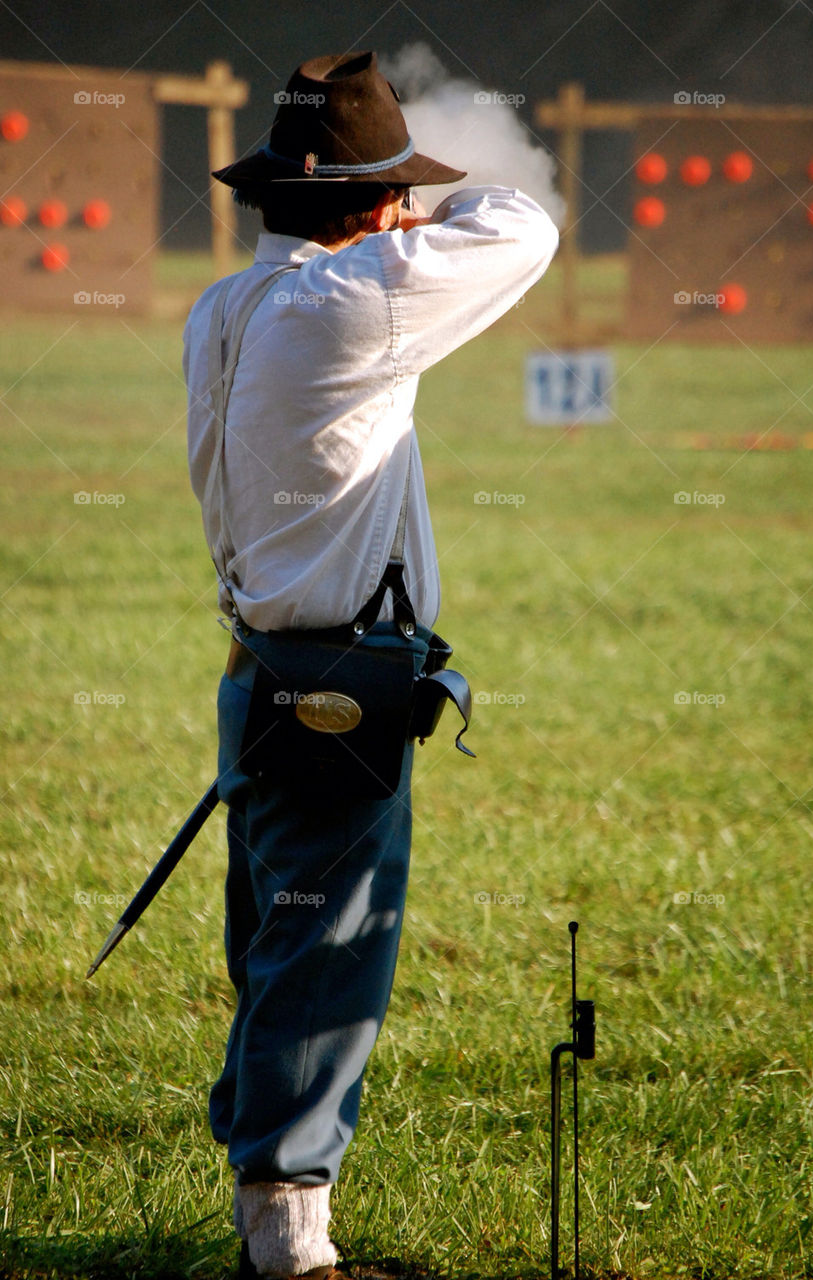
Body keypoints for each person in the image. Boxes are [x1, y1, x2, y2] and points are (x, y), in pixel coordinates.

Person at [183, 49, 558, 1280]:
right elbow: (524, 226)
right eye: (394, 194)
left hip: (266, 673)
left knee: (279, 935)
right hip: (335, 683)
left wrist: (386, 202)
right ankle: (290, 1241)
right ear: (367, 208)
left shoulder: (228, 306)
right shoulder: (352, 298)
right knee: (323, 941)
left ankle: (263, 1201)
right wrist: (420, 210)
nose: (410, 211)